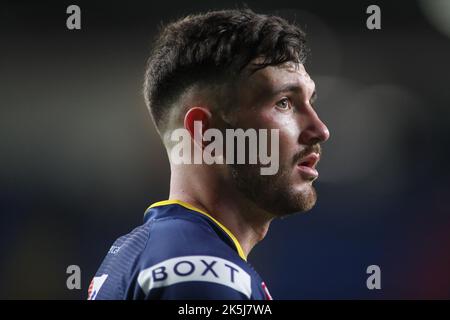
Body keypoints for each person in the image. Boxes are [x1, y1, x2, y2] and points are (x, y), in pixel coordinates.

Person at [88, 8, 330, 300]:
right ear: (205, 132)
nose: (319, 129)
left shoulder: (145, 251)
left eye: (310, 102)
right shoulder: (205, 273)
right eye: (284, 103)